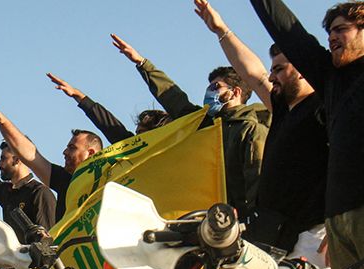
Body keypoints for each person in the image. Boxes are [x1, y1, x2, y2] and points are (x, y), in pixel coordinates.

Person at [193, 0, 327, 265]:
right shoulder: (284, 110)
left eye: (279, 69)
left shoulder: (324, 106)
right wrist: (222, 31)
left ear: (302, 70)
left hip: (314, 235)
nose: (272, 77)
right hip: (275, 233)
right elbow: (253, 74)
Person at [250, 0, 364, 269]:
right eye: (329, 32)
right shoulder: (331, 79)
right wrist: (333, 223)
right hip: (338, 222)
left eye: (341, 29)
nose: (332, 37)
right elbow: (288, 31)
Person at [111, 33, 270, 222]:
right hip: (211, 220)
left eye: (215, 87)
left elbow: (258, 179)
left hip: (242, 222)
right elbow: (174, 98)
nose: (208, 92)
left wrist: (254, 220)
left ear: (235, 92)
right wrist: (142, 63)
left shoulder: (250, 129)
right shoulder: (206, 125)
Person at [0, 98, 103, 220]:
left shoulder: (107, 182)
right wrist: (3, 123)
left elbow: (112, 129)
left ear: (91, 153)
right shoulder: (64, 180)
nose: (65, 152)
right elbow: (31, 155)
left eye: (72, 148)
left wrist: (82, 99)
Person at [44, 72, 170, 143]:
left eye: (141, 133)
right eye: (136, 133)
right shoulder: (133, 149)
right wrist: (78, 96)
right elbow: (110, 127)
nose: (136, 139)